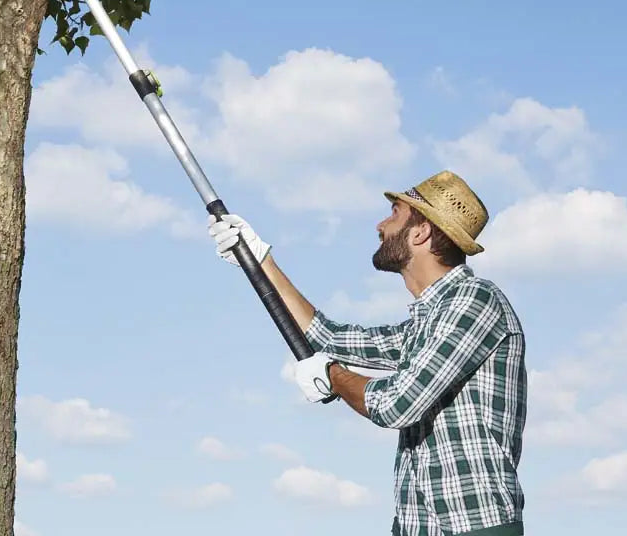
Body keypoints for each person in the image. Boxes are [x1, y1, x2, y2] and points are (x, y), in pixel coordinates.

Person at [208, 170, 527, 536]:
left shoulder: (475, 302)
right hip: (415, 526)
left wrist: (332, 376)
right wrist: (259, 259)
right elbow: (325, 335)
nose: (380, 224)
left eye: (394, 213)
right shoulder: (426, 322)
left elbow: (397, 404)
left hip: (474, 527)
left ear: (420, 232)